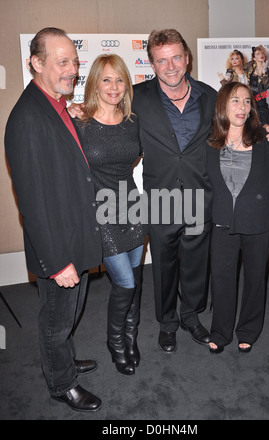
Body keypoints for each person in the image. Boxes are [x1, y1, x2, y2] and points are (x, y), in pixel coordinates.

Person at [68, 29, 269, 355]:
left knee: (197, 264)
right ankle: (167, 324)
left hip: (200, 196)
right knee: (164, 265)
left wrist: (267, 129)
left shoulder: (211, 97)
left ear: (187, 58)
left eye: (176, 57)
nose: (170, 66)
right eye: (162, 60)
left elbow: (242, 117)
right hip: (160, 198)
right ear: (152, 63)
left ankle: (190, 315)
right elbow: (106, 109)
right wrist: (79, 110)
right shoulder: (136, 96)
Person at [5, 28, 102, 412]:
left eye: (74, 62)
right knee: (55, 320)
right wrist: (57, 260)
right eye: (62, 62)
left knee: (69, 312)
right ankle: (61, 382)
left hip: (73, 233)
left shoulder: (56, 106)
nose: (72, 70)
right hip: (58, 245)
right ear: (36, 63)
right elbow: (31, 200)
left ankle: (63, 358)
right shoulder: (28, 117)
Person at [72, 54, 147, 375]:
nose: (114, 86)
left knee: (136, 279)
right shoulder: (80, 122)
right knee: (125, 281)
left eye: (119, 79)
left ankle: (131, 337)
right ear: (94, 84)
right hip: (100, 213)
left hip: (131, 205)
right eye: (106, 79)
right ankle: (115, 342)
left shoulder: (133, 121)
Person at [206, 82, 269, 354]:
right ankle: (220, 330)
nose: (242, 107)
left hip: (259, 223)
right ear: (223, 106)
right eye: (235, 100)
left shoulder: (266, 138)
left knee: (255, 279)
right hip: (221, 223)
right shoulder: (210, 141)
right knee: (221, 279)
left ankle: (249, 330)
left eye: (246, 101)